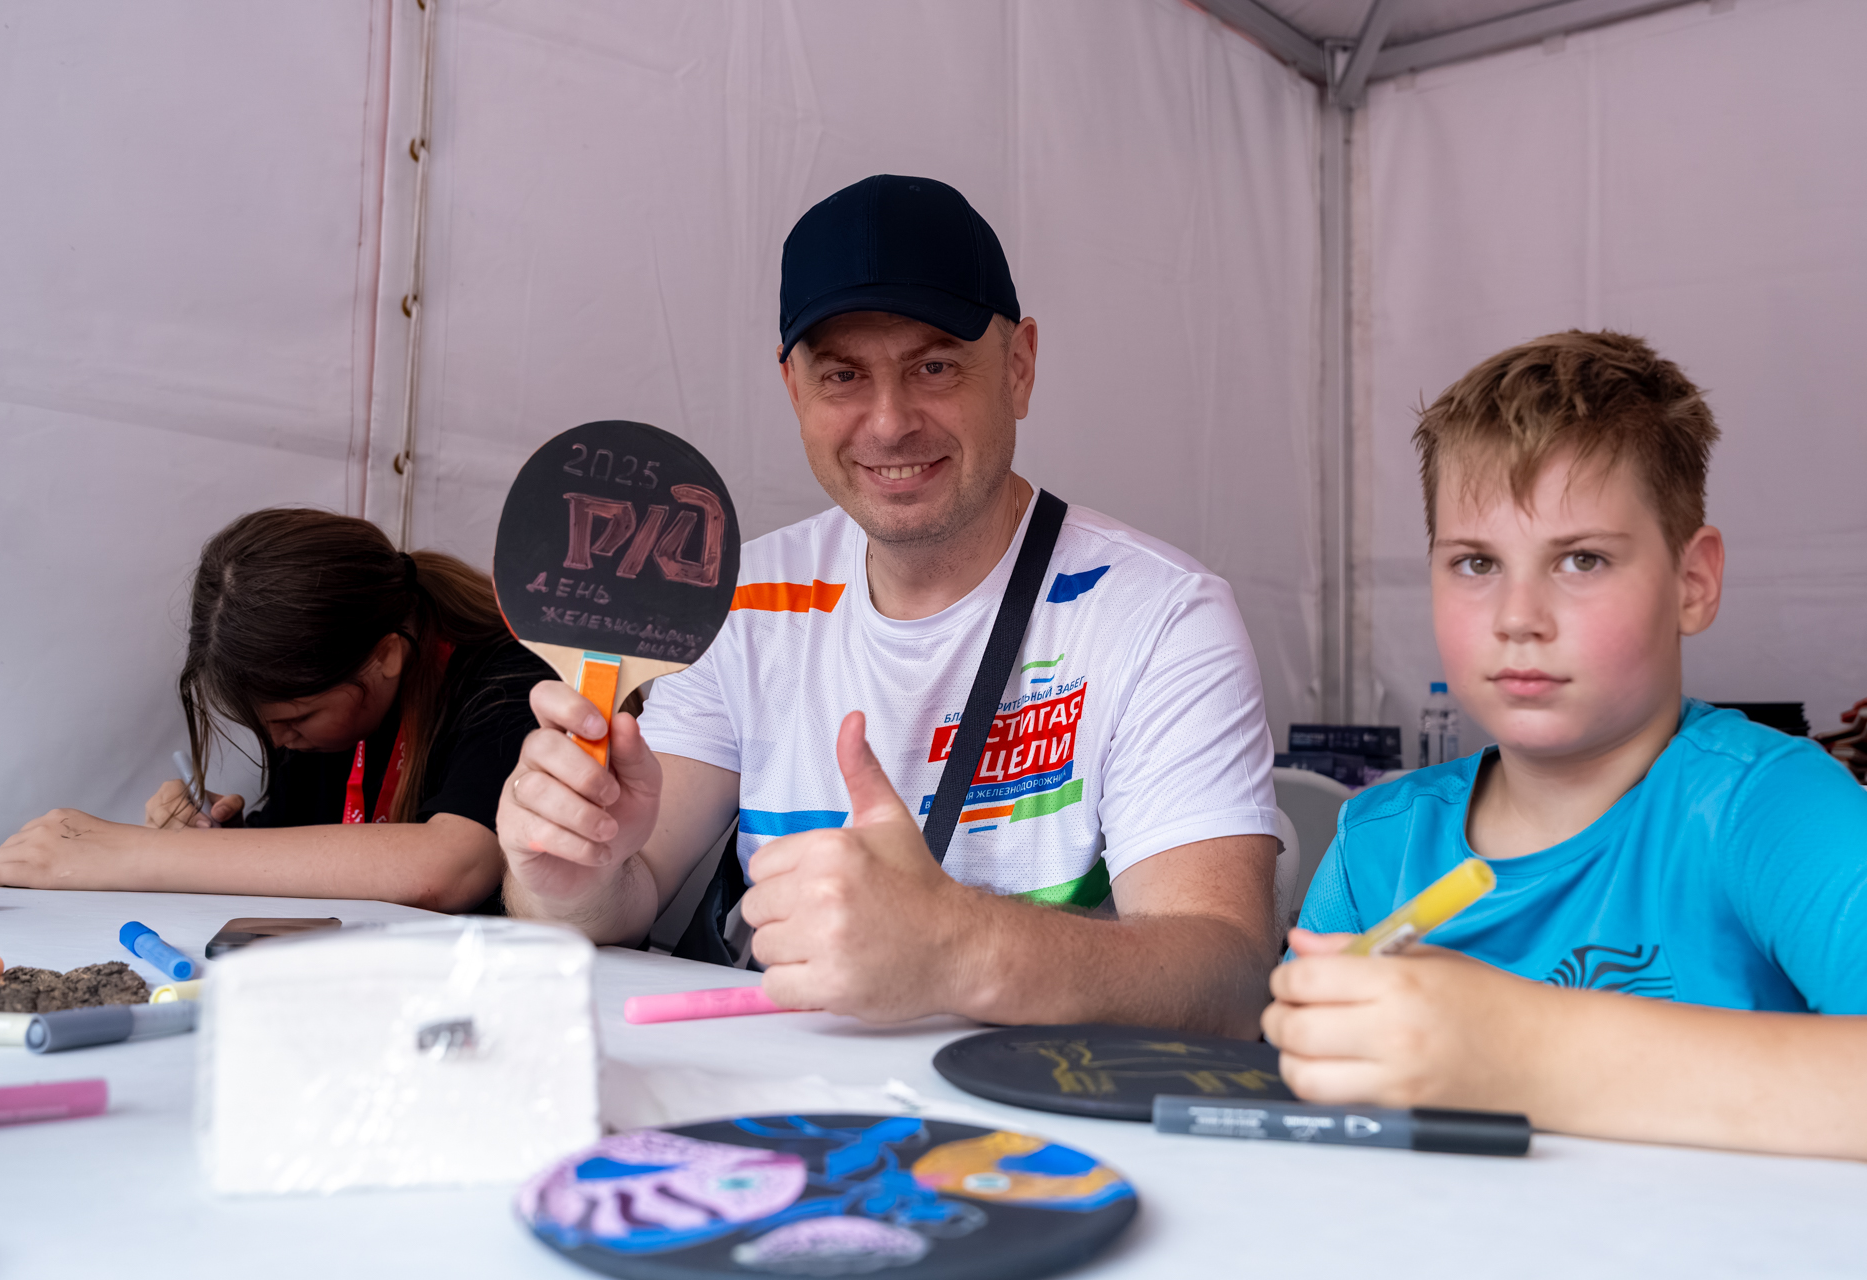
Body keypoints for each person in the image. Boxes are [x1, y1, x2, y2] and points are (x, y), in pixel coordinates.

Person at [499, 174, 1281, 1034]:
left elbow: (1226, 977)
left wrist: (959, 947)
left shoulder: (1159, 617)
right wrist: (570, 878)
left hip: (1031, 1111)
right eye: (842, 375)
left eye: (934, 366)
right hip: (775, 1092)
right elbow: (626, 890)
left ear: (1018, 368)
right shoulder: (744, 602)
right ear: (794, 389)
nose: (888, 423)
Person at [1264, 331, 1867, 1159]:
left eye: (1582, 560)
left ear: (1692, 582)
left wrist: (1528, 1053)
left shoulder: (1772, 808)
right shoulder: (1377, 843)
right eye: (1476, 564)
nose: (1519, 617)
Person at [0, 509, 549, 911]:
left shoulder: (512, 677)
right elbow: (304, 855)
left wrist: (141, 855)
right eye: (266, 726)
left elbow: (451, 866)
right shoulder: (327, 722)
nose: (281, 742)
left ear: (385, 657)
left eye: (295, 719)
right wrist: (215, 835)